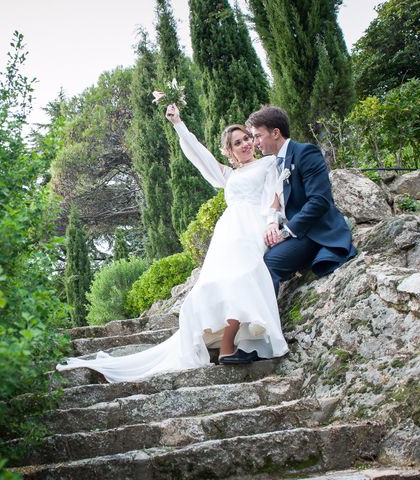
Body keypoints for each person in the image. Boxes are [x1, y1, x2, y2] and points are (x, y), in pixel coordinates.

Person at [56, 104, 288, 383]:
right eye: (237, 142)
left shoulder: (268, 164)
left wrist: (272, 222)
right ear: (229, 151)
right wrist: (178, 124)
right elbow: (199, 155)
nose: (246, 144)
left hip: (253, 227)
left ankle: (234, 344)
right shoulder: (227, 175)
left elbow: (275, 194)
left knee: (245, 277)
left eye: (247, 139)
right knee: (223, 283)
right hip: (229, 233)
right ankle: (230, 346)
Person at [246, 106, 356, 295]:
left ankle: (268, 323)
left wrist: (286, 232)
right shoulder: (276, 163)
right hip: (296, 231)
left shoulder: (305, 152)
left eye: (257, 136)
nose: (255, 142)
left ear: (275, 133)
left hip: (315, 231)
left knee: (267, 265)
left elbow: (319, 201)